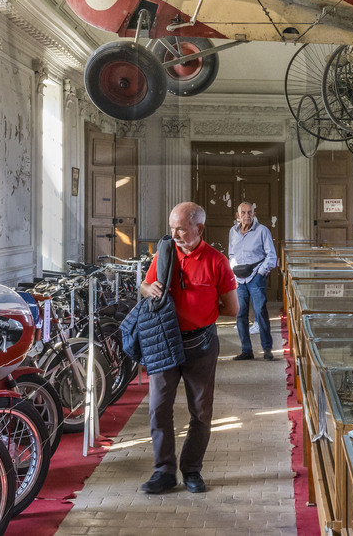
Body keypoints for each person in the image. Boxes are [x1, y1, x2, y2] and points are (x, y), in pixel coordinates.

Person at [139, 201, 238, 495]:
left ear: (199, 228)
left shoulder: (217, 261)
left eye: (180, 229)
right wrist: (151, 289)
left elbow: (233, 308)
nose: (174, 234)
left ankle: (192, 470)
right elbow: (145, 285)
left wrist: (201, 312)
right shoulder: (165, 252)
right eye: (171, 228)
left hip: (201, 346)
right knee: (158, 409)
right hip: (165, 342)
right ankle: (164, 472)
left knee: (201, 412)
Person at [227, 201, 279, 360]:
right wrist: (234, 272)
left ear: (254, 214)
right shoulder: (233, 232)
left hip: (256, 277)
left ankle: (267, 349)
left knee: (260, 312)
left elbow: (271, 256)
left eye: (249, 212)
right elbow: (231, 255)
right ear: (238, 215)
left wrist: (260, 273)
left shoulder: (262, 231)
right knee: (240, 314)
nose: (246, 215)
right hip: (239, 279)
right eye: (243, 212)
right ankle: (246, 350)